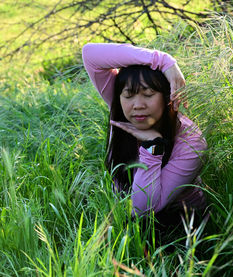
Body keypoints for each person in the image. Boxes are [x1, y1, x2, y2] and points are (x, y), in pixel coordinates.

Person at [82, 43, 207, 227]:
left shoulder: (191, 142)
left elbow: (143, 209)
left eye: (148, 94)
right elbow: (90, 54)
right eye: (129, 95)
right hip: (122, 219)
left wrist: (152, 146)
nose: (137, 105)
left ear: (168, 97)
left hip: (181, 225)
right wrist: (164, 61)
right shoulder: (121, 109)